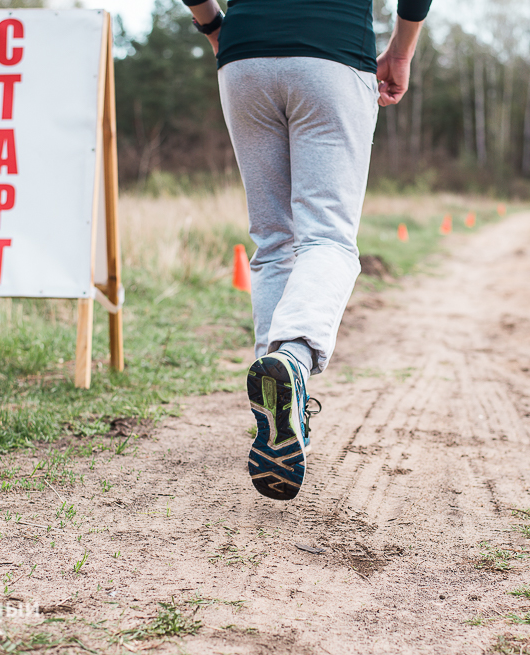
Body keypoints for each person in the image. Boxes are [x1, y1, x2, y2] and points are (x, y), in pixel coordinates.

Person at [181, 0, 431, 500]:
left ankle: (277, 400)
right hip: (334, 56)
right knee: (328, 239)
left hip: (244, 59)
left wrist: (214, 28)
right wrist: (401, 50)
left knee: (275, 241)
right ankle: (292, 359)